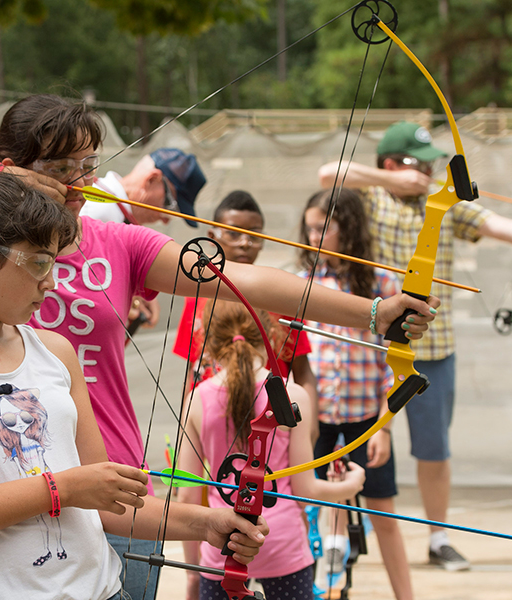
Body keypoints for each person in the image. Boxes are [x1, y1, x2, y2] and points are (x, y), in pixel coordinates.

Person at [0, 94, 439, 599]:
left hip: (113, 488)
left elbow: (238, 277)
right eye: (63, 165)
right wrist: (0, 181)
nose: (81, 180)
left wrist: (372, 313)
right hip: (9, 503)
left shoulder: (114, 241)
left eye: (88, 163)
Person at [0, 171, 268, 600]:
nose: (51, 282)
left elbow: (104, 499)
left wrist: (206, 523)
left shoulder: (56, 351)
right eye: (39, 262)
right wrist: (63, 488)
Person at [317, 120, 512, 570]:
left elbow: (502, 226)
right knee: (350, 441)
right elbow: (328, 173)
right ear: (391, 163)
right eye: (418, 164)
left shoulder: (442, 204)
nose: (428, 172)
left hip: (433, 346)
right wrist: (394, 180)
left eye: (430, 165)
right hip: (370, 348)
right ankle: (339, 535)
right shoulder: (367, 198)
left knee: (434, 449)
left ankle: (438, 537)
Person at [176, 300, 365, 600]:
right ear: (270, 339)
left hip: (222, 547)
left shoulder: (196, 398)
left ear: (208, 347)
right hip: (282, 544)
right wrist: (350, 486)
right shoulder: (292, 394)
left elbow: (186, 494)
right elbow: (304, 492)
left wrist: (192, 570)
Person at [299, 189, 413, 600]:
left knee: (383, 515)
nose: (314, 237)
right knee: (302, 511)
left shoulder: (382, 283)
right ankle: (306, 589)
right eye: (309, 228)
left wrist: (384, 426)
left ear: (349, 231)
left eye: (323, 228)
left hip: (368, 419)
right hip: (317, 421)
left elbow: (397, 364)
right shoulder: (304, 283)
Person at [171, 190, 316, 398]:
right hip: (212, 415)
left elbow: (302, 372)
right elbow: (193, 371)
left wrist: (309, 426)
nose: (245, 242)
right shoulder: (196, 298)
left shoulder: (279, 298)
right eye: (233, 233)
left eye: (254, 235)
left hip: (268, 417)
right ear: (213, 237)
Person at [80, 147, 206, 333]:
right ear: (152, 179)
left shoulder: (112, 210)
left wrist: (137, 295)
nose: (165, 218)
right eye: (169, 205)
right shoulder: (97, 212)